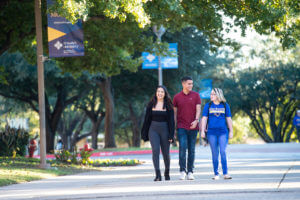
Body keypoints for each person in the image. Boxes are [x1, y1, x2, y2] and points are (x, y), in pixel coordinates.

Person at [141, 85, 175, 181]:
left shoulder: (168, 105)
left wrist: (171, 135)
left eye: (162, 92)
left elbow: (172, 122)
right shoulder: (151, 104)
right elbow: (146, 119)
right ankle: (158, 174)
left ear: (165, 94)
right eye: (158, 91)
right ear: (156, 93)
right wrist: (144, 133)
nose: (160, 93)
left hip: (165, 130)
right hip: (153, 130)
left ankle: (167, 172)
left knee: (165, 153)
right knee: (155, 151)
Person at [201, 88, 233, 180]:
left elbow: (229, 119)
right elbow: (204, 118)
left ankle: (226, 173)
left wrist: (231, 131)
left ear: (218, 95)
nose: (211, 96)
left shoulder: (225, 105)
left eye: (213, 94)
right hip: (211, 133)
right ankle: (216, 174)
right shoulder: (208, 105)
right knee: (215, 153)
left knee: (223, 151)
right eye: (211, 94)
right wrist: (202, 131)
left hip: (223, 132)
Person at [173, 76, 201, 180]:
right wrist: (173, 129)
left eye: (192, 84)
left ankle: (190, 171)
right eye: (189, 83)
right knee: (182, 148)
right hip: (181, 127)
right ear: (183, 84)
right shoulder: (176, 97)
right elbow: (174, 114)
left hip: (193, 126)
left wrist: (196, 120)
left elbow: (198, 109)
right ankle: (182, 171)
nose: (191, 85)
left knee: (192, 150)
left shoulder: (196, 95)